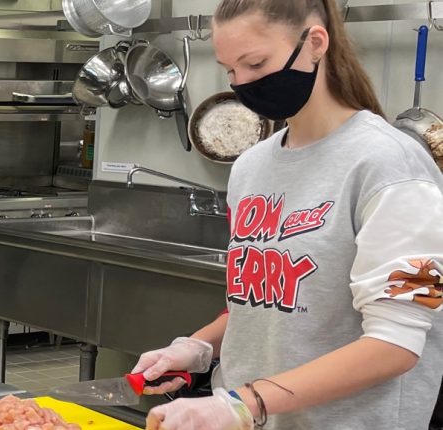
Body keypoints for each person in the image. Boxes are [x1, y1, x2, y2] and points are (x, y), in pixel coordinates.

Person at [141, 0, 443, 428]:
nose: (242, 83)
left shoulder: (393, 167)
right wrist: (198, 347)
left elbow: (396, 345)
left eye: (255, 63)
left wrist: (243, 404)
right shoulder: (252, 166)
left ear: (315, 43)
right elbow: (265, 307)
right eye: (230, 70)